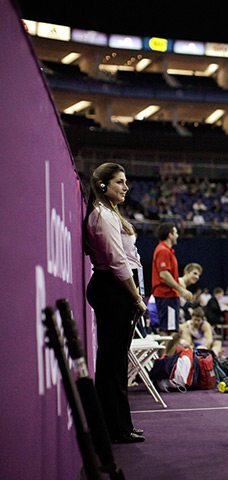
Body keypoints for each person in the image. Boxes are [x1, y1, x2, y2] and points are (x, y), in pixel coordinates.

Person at [83, 162, 147, 444]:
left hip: (115, 288)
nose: (125, 187)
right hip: (113, 288)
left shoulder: (109, 213)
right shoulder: (102, 216)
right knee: (112, 362)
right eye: (120, 182)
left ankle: (118, 425)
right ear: (103, 185)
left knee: (115, 361)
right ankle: (115, 428)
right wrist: (136, 297)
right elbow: (118, 261)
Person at [151, 222, 193, 354]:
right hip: (166, 295)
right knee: (169, 331)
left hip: (169, 296)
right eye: (176, 233)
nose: (178, 235)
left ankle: (165, 359)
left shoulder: (167, 250)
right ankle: (163, 361)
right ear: (170, 235)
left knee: (172, 330)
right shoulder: (163, 250)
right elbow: (164, 274)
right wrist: (181, 290)